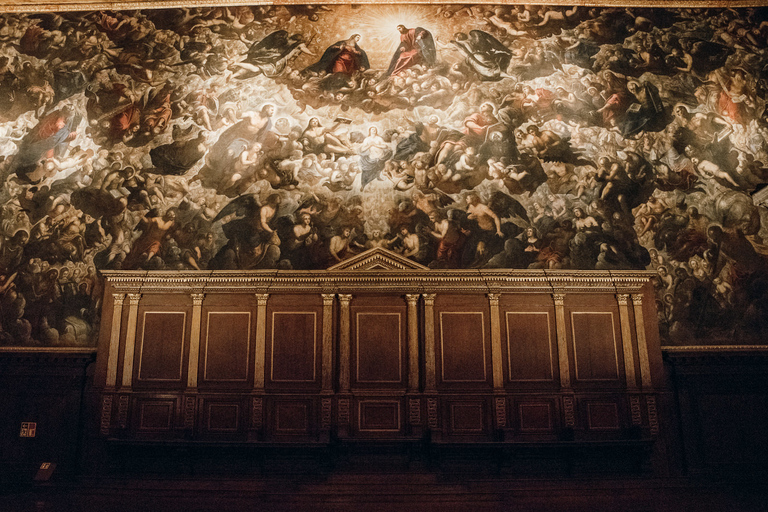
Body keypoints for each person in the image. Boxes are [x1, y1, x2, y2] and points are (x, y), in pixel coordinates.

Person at [303, 34, 369, 75]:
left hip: (349, 63)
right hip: (340, 60)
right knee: (337, 73)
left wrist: (358, 53)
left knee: (345, 75)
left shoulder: (356, 47)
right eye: (357, 37)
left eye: (359, 39)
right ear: (353, 37)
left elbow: (359, 53)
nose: (358, 39)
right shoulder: (343, 42)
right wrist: (338, 47)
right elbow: (332, 47)